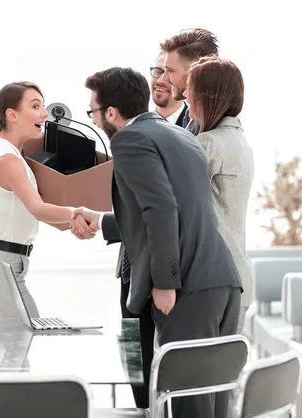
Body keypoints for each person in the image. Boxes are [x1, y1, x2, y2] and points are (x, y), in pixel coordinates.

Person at [74, 67, 242, 418]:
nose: (92, 118)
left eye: (92, 111)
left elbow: (161, 207)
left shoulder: (128, 140)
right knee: (214, 405)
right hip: (222, 281)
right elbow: (177, 209)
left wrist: (166, 283)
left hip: (188, 288)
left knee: (189, 407)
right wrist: (104, 222)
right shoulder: (178, 135)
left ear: (111, 113)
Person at [0, 81, 94, 319]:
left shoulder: (5, 151)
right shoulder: (8, 159)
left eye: (43, 106)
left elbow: (24, 210)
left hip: (0, 264)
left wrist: (71, 222)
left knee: (16, 349)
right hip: (1, 267)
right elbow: (36, 208)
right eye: (36, 106)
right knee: (25, 343)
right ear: (12, 115)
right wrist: (75, 214)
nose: (45, 113)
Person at [185, 57, 254, 333]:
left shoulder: (208, 143)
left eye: (190, 89)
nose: (186, 97)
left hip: (212, 281)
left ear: (206, 95)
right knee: (224, 370)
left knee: (193, 371)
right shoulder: (241, 142)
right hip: (240, 279)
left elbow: (177, 204)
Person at [159, 28, 219, 133]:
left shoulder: (211, 131)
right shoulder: (192, 116)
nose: (164, 78)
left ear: (195, 70)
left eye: (171, 70)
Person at [150, 52, 188, 126]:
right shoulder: (135, 125)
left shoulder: (198, 128)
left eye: (170, 72)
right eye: (158, 71)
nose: (160, 81)